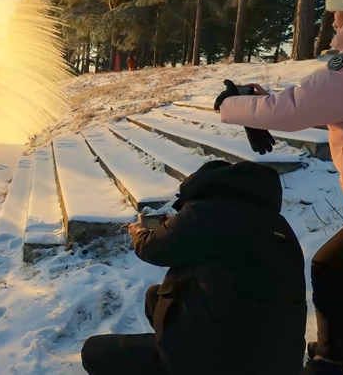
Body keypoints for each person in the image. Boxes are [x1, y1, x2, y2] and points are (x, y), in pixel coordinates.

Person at [215, 0, 343, 375]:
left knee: (339, 283)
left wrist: (231, 105)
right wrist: (262, 102)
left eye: (337, 12)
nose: (333, 22)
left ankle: (338, 361)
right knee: (340, 282)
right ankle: (330, 360)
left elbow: (299, 106)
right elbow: (330, 96)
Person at [81, 160, 307, 375]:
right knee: (155, 297)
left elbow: (152, 248)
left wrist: (140, 232)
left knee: (94, 351)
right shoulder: (279, 226)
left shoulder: (206, 213)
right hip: (280, 361)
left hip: (223, 364)